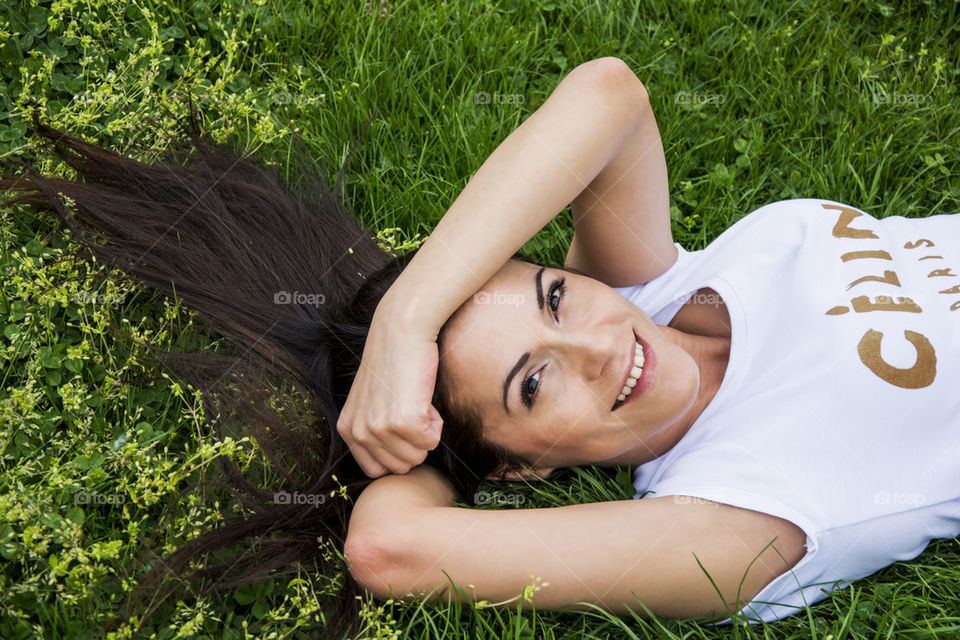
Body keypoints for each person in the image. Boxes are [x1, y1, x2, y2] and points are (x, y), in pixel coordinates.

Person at [3, 56, 957, 638]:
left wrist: (407, 317)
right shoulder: (740, 515)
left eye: (554, 295)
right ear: (518, 472)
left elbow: (609, 95)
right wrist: (411, 430)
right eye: (534, 385)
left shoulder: (647, 292)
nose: (597, 341)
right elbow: (390, 548)